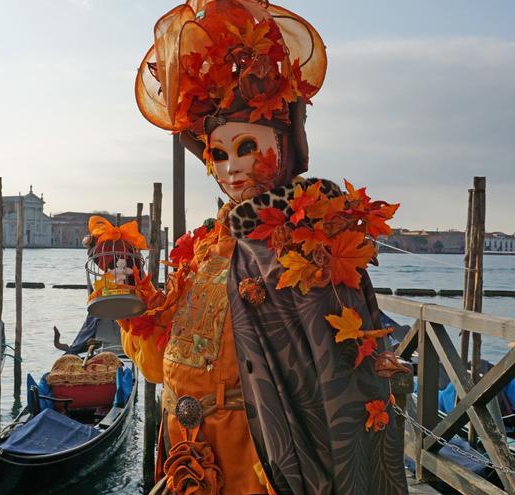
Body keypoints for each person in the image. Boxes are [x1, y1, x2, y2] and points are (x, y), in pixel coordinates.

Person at [121, 1, 408, 493]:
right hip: (185, 447)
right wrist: (135, 304)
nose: (231, 167)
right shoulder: (204, 248)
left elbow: (331, 381)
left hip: (262, 454)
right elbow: (158, 361)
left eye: (248, 147)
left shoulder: (306, 241)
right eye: (219, 154)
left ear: (284, 145)